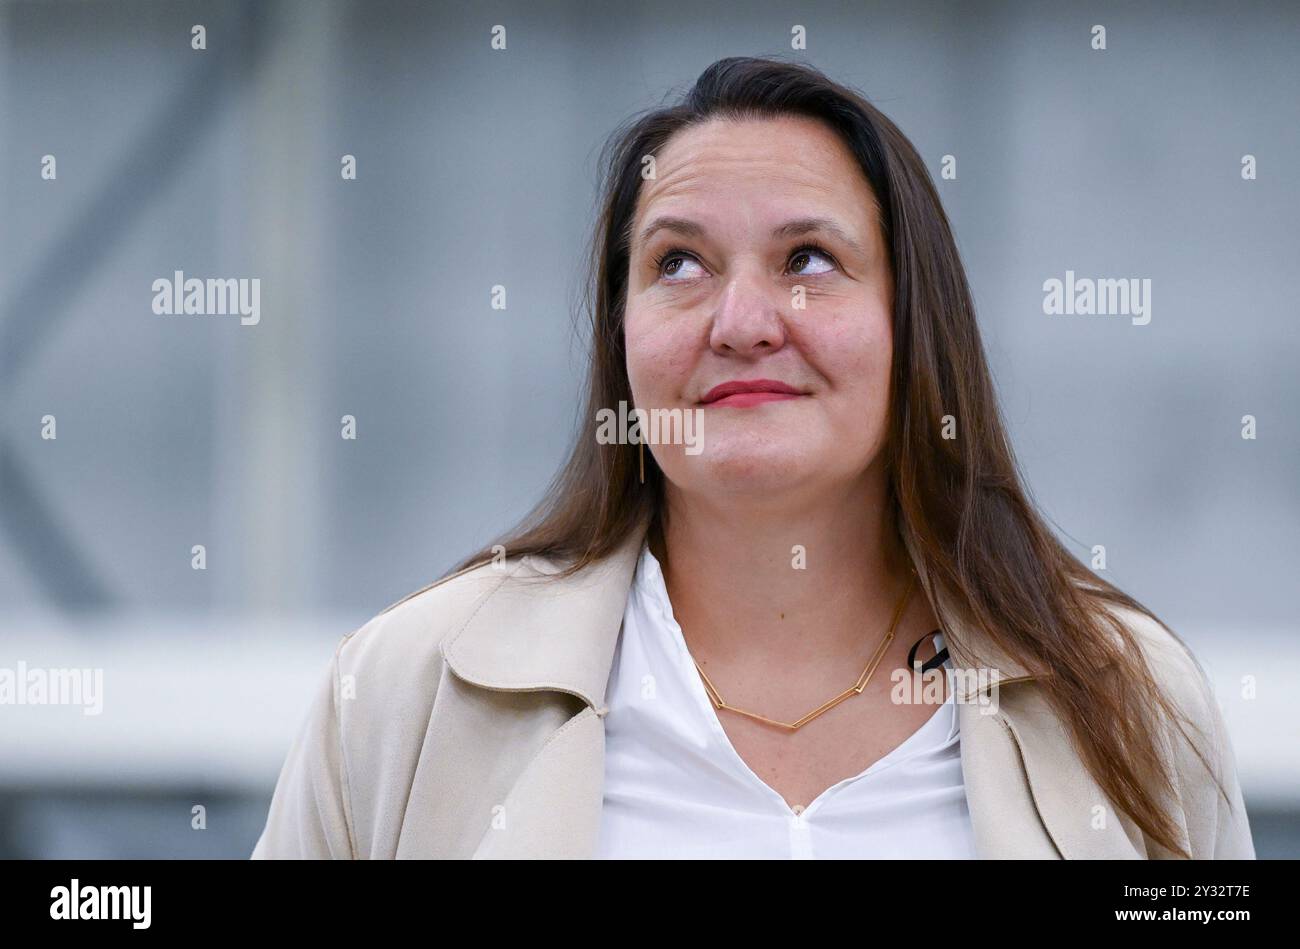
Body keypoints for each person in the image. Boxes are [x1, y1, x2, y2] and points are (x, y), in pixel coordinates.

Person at [251, 56, 1254, 859]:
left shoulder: (1127, 697)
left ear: (913, 322)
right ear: (621, 336)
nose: (740, 322)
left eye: (807, 260)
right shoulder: (405, 693)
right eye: (677, 263)